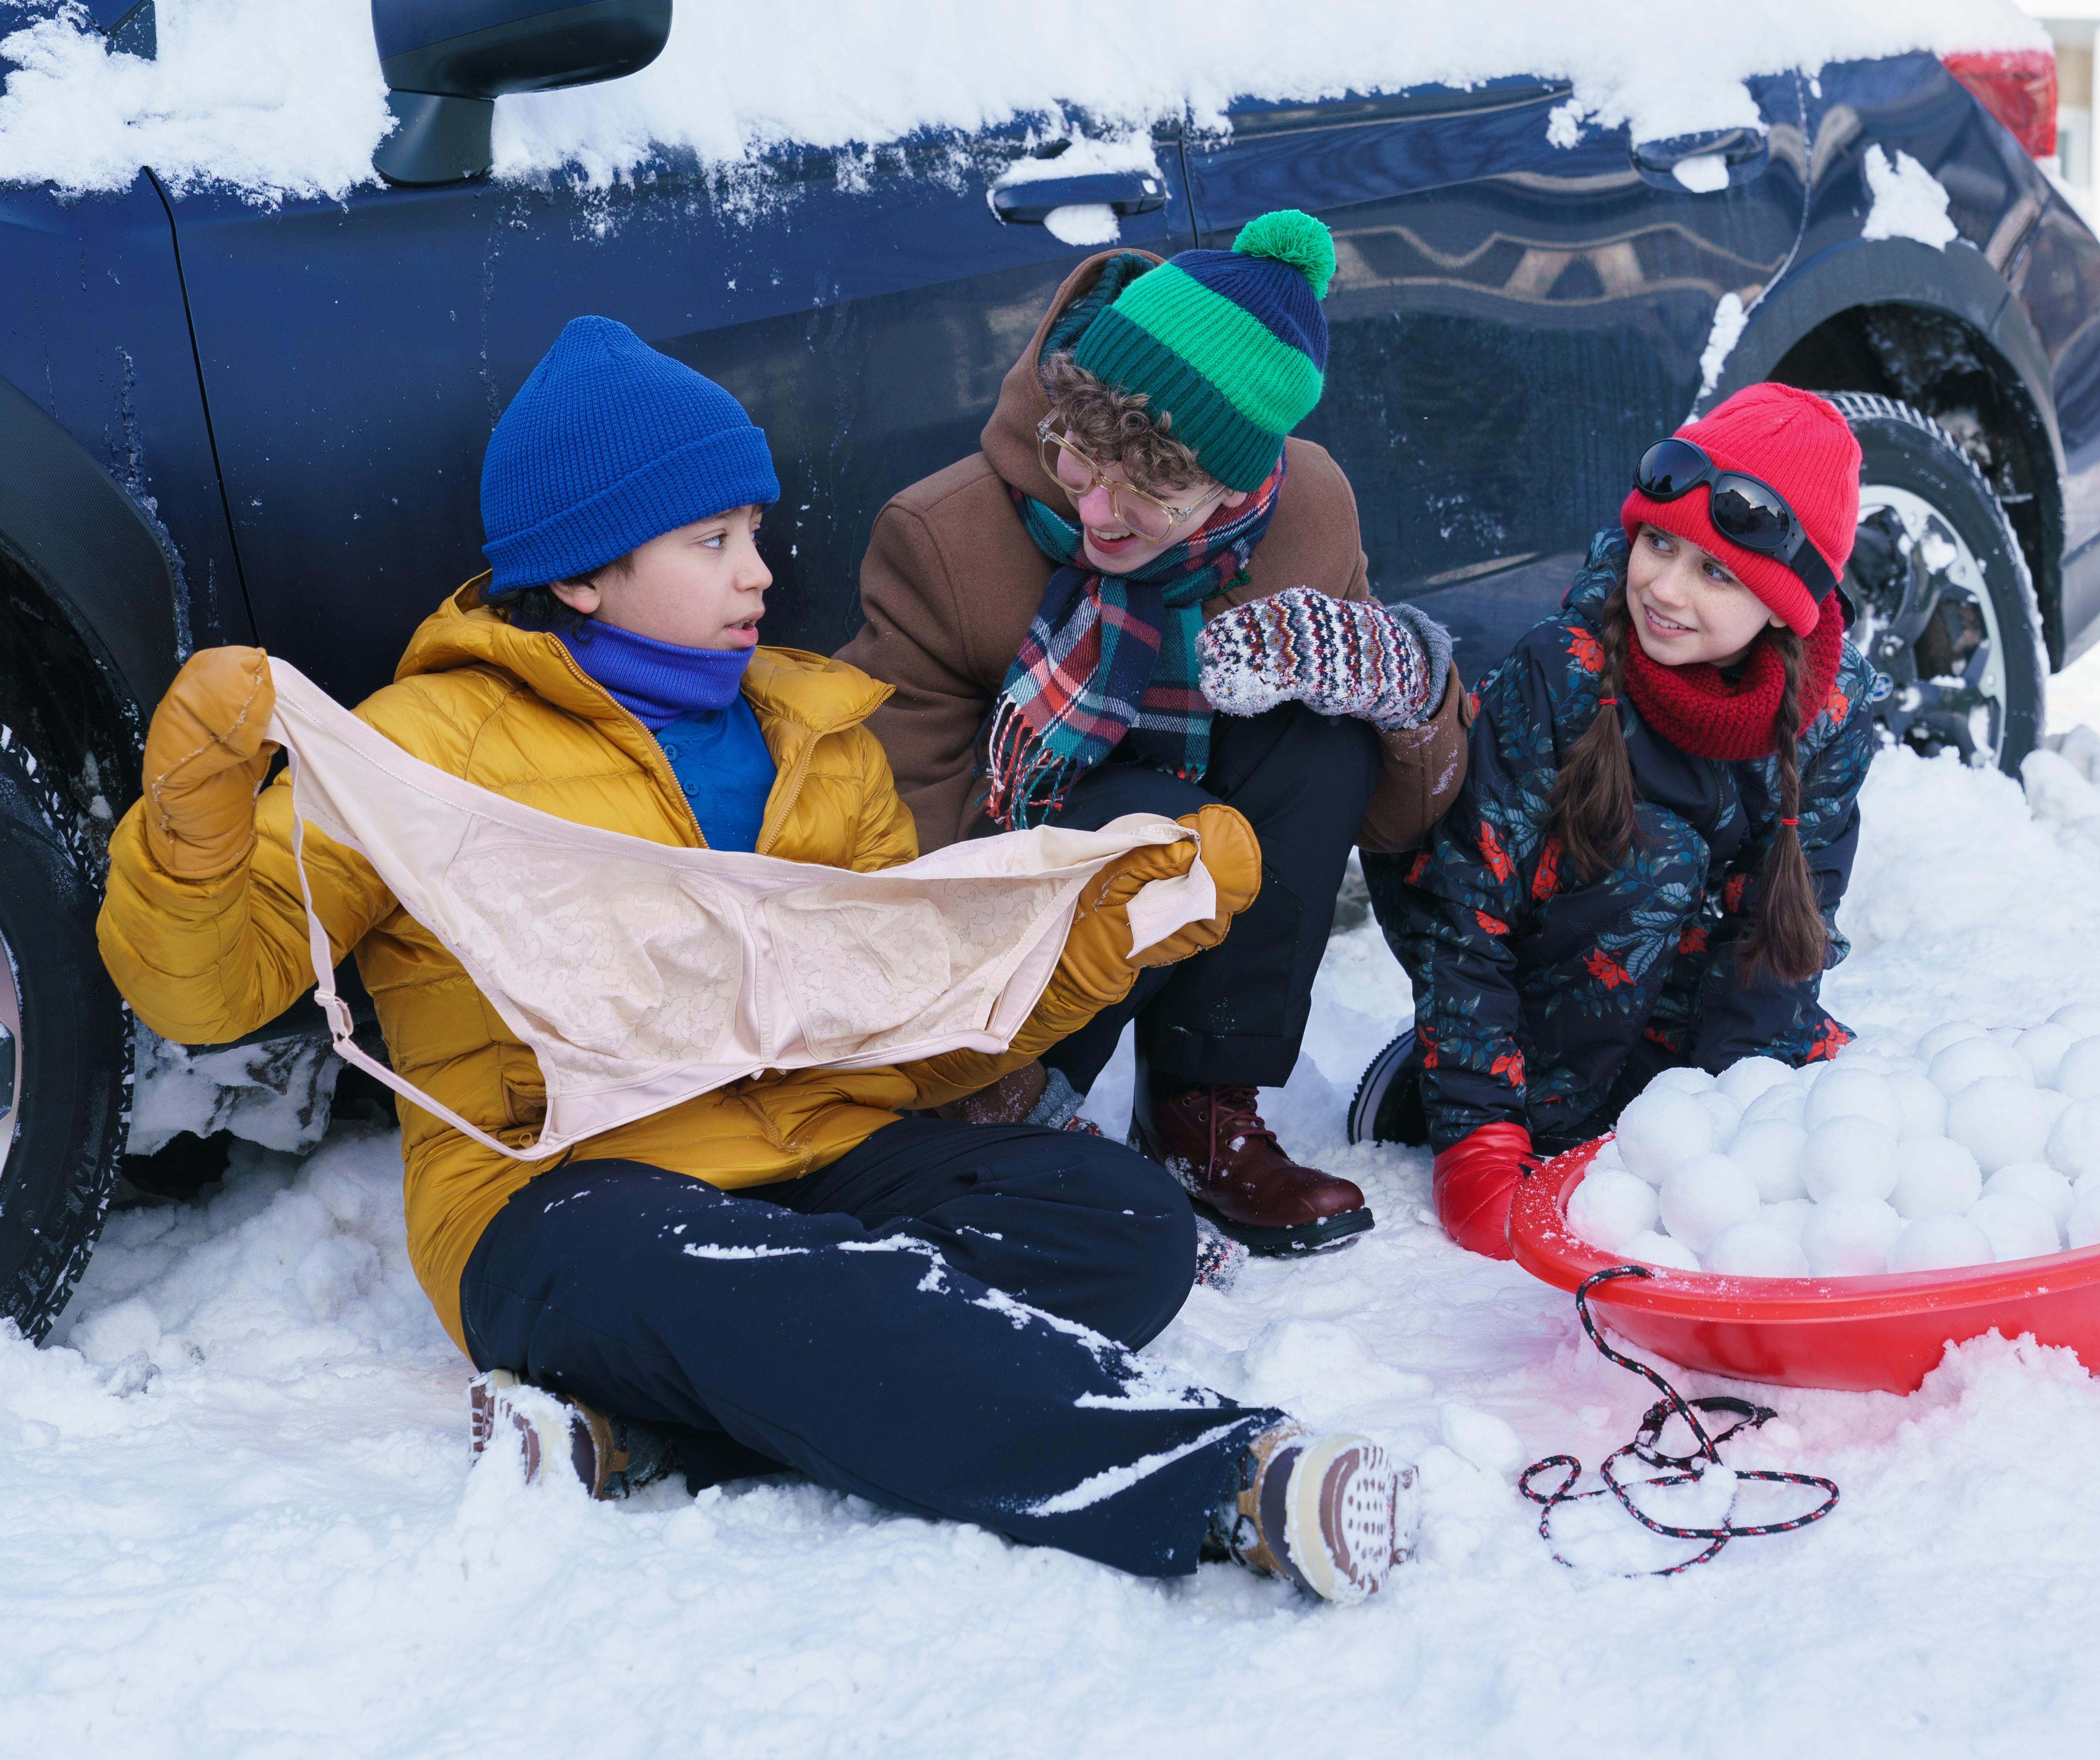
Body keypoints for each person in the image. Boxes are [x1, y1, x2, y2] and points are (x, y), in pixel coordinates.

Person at [95, 315, 1410, 1600]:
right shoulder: (428, 750)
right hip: (569, 1199)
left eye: (758, 535)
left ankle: (652, 1434)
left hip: (821, 1152)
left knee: (1121, 1224)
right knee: (778, 1285)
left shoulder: (814, 737)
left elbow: (911, 1029)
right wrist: (196, 834)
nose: (760, 575)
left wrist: (1095, 943)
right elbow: (208, 993)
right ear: (582, 574)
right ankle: (1213, 1479)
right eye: (710, 541)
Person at [838, 211, 1468, 1258]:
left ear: (1238, 479)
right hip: (1012, 922)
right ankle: (1033, 1103)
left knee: (1321, 740)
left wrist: (1395, 678)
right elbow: (893, 832)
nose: (1101, 507)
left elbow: (1400, 819)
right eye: (1082, 455)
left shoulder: (1311, 510)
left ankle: (1199, 1109)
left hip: (1204, 856)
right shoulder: (943, 537)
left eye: (1155, 482)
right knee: (1163, 822)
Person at [1369, 385, 1887, 1258]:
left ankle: (1657, 1101)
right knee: (1661, 859)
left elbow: (1780, 940)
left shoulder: (1827, 716)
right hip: (1540, 992)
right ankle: (1477, 1092)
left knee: (1855, 1106)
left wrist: (1743, 1125)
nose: (1666, 588)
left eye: (1717, 572)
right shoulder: (1562, 673)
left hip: (1674, 1006)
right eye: (1659, 543)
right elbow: (1468, 912)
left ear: (1784, 605)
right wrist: (1478, 1132)